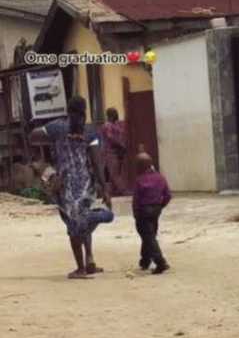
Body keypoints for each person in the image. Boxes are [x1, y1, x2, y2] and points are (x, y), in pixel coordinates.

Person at [29, 96, 114, 279]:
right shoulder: (90, 132)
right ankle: (90, 260)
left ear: (68, 110)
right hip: (86, 187)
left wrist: (48, 149)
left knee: (73, 226)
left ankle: (81, 268)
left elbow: (33, 136)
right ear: (85, 112)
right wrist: (105, 189)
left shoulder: (57, 127)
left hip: (65, 188)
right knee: (84, 220)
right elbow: (97, 163)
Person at [132, 152, 172, 274]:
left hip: (143, 211)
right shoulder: (160, 178)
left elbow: (136, 200)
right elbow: (168, 195)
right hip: (156, 210)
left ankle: (160, 262)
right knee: (149, 234)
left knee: (148, 236)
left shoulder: (139, 180)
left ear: (140, 166)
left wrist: (135, 213)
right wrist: (161, 206)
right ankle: (145, 261)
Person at [99, 107, 130, 196]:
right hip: (110, 152)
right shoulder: (107, 126)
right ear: (111, 115)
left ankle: (112, 192)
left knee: (116, 172)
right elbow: (111, 138)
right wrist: (121, 145)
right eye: (115, 113)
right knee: (114, 173)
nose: (117, 115)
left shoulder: (115, 125)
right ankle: (123, 190)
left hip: (118, 152)